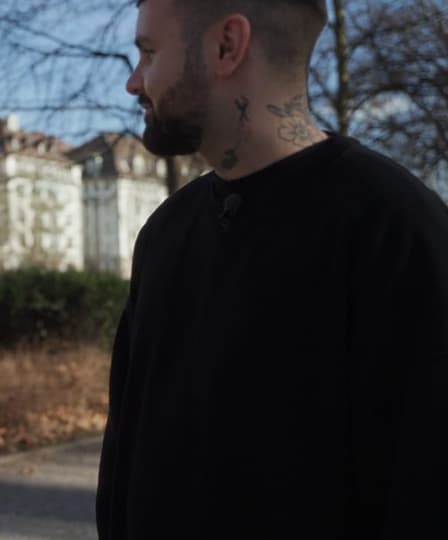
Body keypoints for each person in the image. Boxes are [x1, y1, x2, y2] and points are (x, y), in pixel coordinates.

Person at [97, 0, 448, 538]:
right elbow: (125, 457)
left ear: (226, 46)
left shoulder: (399, 231)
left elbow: (424, 489)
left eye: (148, 52)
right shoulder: (164, 234)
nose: (133, 82)